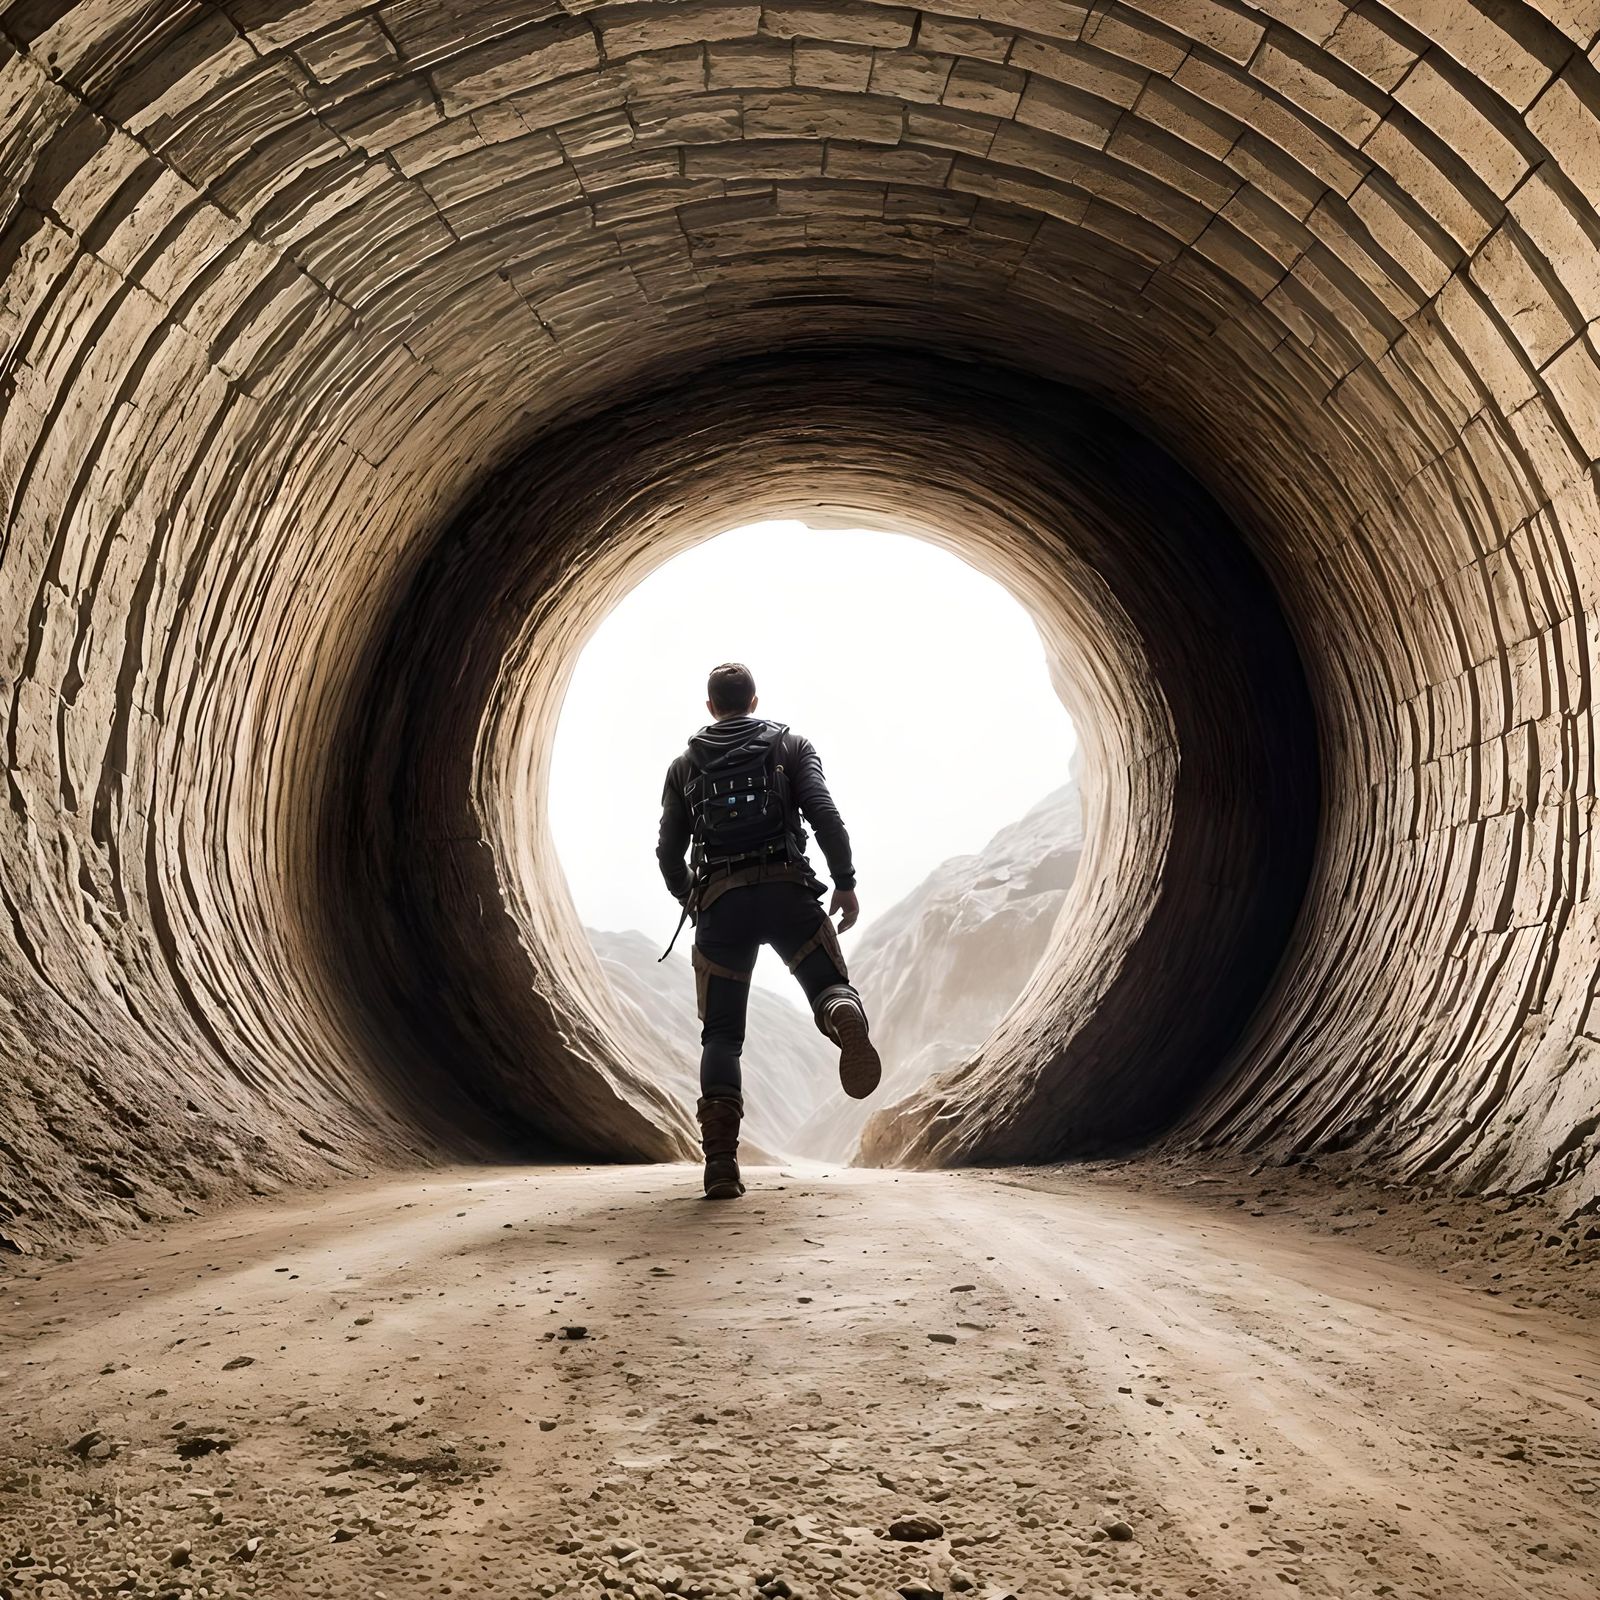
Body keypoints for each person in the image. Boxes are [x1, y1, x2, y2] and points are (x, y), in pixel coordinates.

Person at [657, 662, 880, 1198]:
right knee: (827, 985)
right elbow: (826, 816)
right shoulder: (792, 747)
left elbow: (668, 852)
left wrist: (693, 895)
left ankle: (720, 1167)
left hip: (722, 908)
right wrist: (844, 882)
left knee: (723, 1037)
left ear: (711, 707)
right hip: (788, 893)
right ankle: (839, 1011)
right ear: (754, 700)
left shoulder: (684, 766)